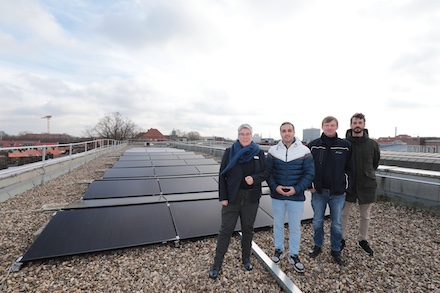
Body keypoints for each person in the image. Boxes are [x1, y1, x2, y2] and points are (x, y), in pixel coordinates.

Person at [209, 124, 269, 279]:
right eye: (242, 134)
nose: (245, 136)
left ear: (251, 135)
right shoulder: (230, 152)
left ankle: (246, 258)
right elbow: (222, 175)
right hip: (232, 198)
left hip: (251, 198)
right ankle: (217, 264)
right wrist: (223, 197)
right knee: (225, 230)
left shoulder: (258, 153)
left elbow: (266, 172)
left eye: (248, 134)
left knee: (248, 229)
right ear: (238, 135)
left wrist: (254, 179)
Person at [266, 122, 315, 273]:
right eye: (283, 131)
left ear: (294, 132)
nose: (286, 133)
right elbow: (268, 173)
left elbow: (309, 174)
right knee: (278, 225)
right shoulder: (273, 151)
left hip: (296, 197)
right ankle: (278, 249)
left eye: (289, 131)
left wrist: (297, 189)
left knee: (295, 228)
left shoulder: (304, 151)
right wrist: (275, 187)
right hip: (278, 196)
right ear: (280, 133)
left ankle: (294, 254)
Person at [308, 116, 354, 266]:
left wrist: (346, 188)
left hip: (338, 193)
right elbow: (308, 168)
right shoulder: (313, 146)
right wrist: (311, 185)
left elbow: (350, 169)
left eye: (332, 125)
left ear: (336, 127)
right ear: (322, 127)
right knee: (317, 221)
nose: (329, 127)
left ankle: (336, 250)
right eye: (327, 125)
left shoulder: (345, 146)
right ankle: (318, 245)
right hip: (319, 192)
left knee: (336, 224)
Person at [341, 113, 380, 256]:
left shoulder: (372, 144)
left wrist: (366, 174)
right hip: (347, 184)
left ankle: (363, 240)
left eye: (360, 123)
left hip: (366, 183)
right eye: (355, 123)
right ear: (351, 125)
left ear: (364, 124)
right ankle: (341, 239)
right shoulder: (344, 143)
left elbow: (375, 163)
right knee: (343, 214)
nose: (357, 125)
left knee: (365, 215)